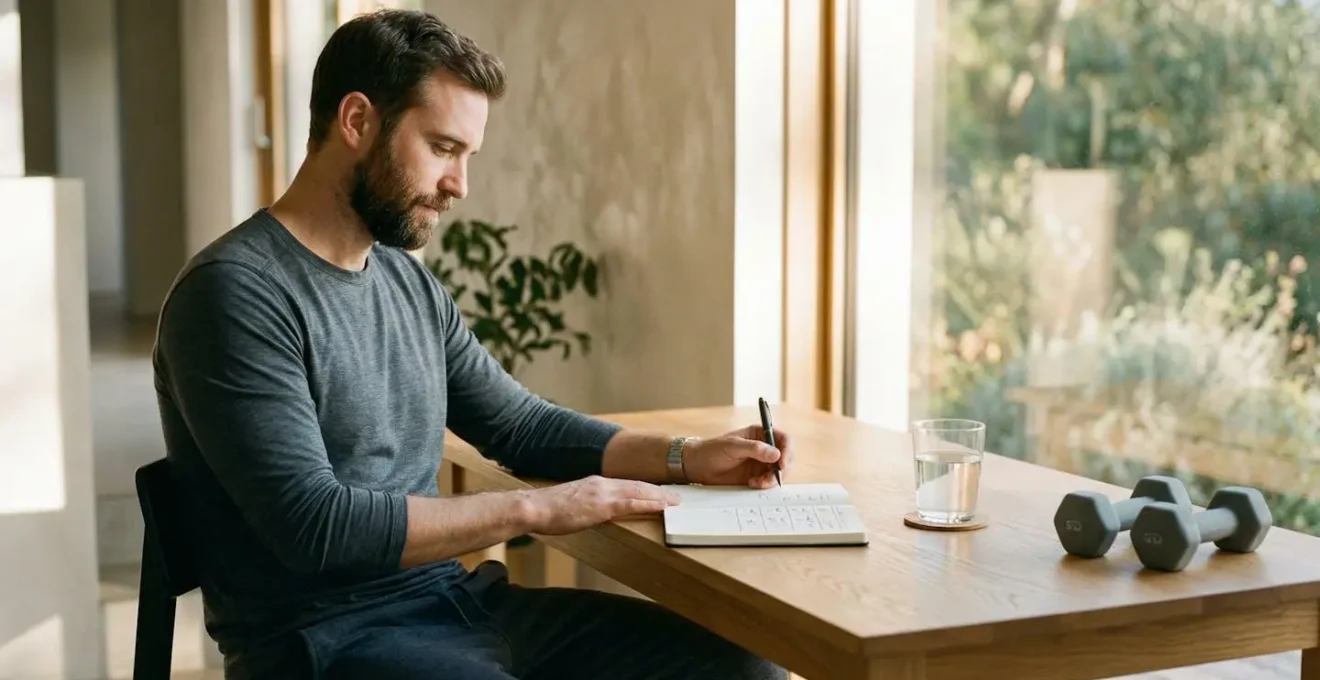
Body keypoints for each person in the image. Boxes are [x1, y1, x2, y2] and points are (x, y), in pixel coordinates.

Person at [152, 8, 792, 680]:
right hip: (324, 641)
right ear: (358, 121)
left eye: (467, 156)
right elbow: (316, 528)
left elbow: (521, 425)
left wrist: (688, 458)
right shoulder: (233, 295)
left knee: (743, 671)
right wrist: (535, 508)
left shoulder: (406, 282)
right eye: (443, 149)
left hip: (449, 603)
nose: (460, 185)